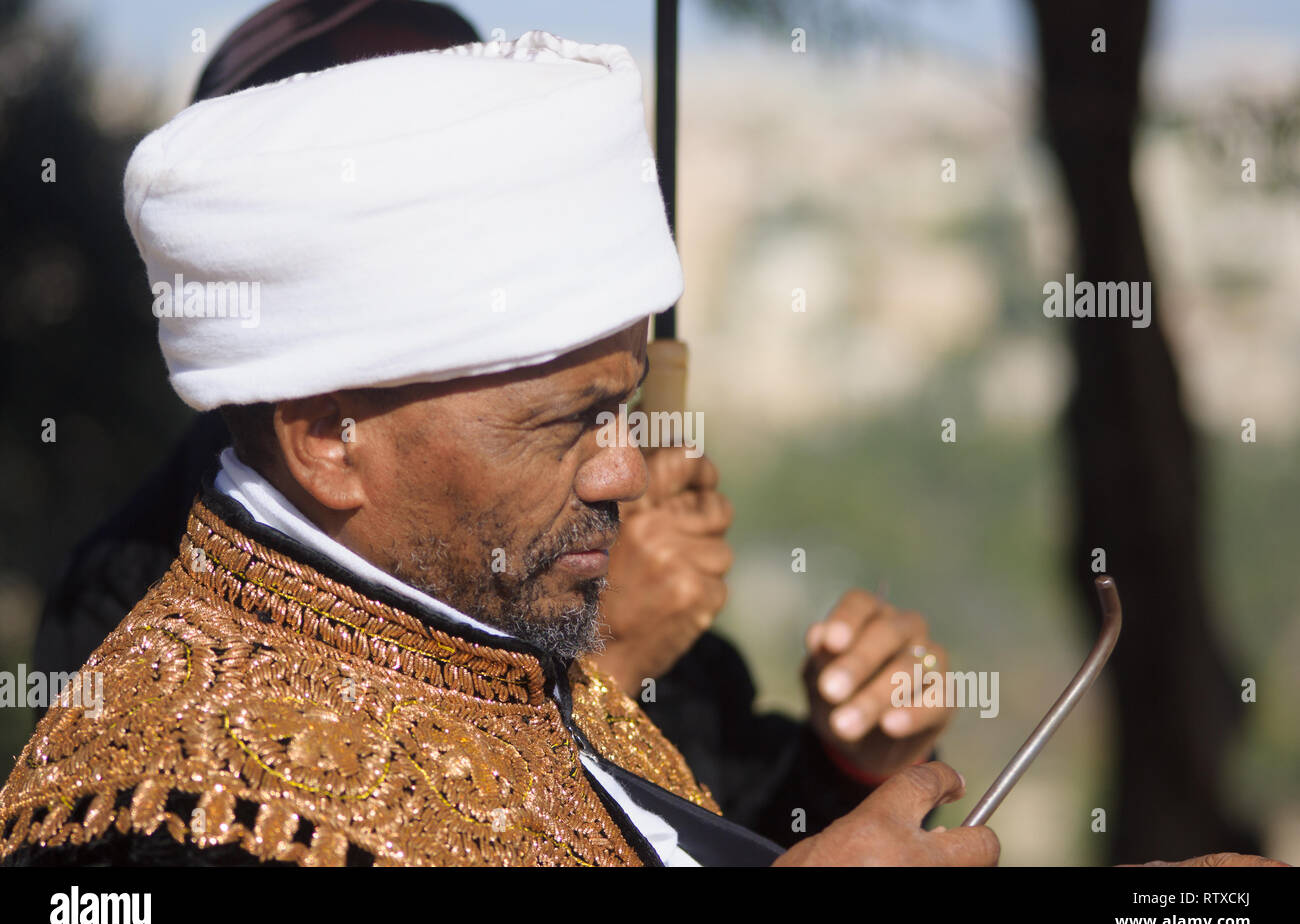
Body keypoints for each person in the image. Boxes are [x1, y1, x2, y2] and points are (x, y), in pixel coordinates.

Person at [0, 30, 997, 866]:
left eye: (626, 408)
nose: (628, 471)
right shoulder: (152, 819)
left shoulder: (508, 633)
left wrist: (843, 776)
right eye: (568, 422)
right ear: (327, 442)